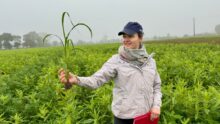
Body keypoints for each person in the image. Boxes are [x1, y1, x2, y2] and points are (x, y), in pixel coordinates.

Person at [58, 22, 162, 124]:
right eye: (124, 36)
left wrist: (156, 106)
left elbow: (156, 86)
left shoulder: (150, 62)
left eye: (130, 36)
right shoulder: (116, 61)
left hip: (146, 117)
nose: (126, 40)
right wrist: (77, 79)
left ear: (140, 37)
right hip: (124, 119)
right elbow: (96, 80)